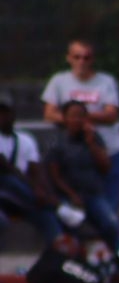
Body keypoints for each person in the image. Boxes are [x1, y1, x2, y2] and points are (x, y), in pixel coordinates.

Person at [43, 100, 119, 273]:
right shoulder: (57, 142)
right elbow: (54, 175)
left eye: (81, 116)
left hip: (92, 194)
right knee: (69, 225)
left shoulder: (94, 139)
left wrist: (91, 143)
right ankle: (65, 266)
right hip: (67, 196)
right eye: (73, 116)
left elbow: (105, 167)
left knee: (110, 223)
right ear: (65, 118)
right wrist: (71, 195)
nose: (77, 120)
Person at [41, 39, 119, 211]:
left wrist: (79, 118)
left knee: (110, 206)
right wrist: (77, 120)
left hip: (109, 150)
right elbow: (49, 114)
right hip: (75, 155)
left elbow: (111, 114)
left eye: (86, 58)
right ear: (69, 58)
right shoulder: (59, 81)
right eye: (77, 57)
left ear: (92, 59)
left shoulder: (105, 81)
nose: (82, 61)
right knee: (77, 207)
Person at [0, 90, 62, 246]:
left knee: (45, 215)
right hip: (8, 191)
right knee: (10, 180)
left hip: (20, 197)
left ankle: (59, 251)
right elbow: (6, 168)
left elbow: (36, 171)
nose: (2, 117)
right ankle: (54, 205)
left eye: (5, 112)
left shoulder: (25, 139)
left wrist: (41, 189)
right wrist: (35, 190)